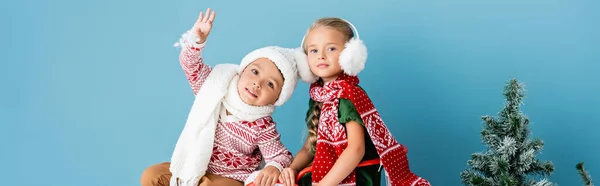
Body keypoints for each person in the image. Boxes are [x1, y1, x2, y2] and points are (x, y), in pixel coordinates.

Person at [140, 8, 313, 186]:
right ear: (242, 70)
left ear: (277, 98)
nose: (257, 84)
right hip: (195, 167)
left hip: (231, 178)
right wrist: (197, 40)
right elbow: (190, 65)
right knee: (151, 175)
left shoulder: (262, 125)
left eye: (270, 84)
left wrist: (274, 167)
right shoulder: (215, 88)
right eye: (254, 72)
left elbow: (280, 155)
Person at [278, 17, 431, 186]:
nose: (321, 56)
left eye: (331, 48)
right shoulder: (318, 96)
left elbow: (355, 150)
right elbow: (309, 148)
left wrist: (323, 185)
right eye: (314, 50)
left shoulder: (349, 96)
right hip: (327, 173)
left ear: (350, 55)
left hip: (355, 178)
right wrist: (292, 168)